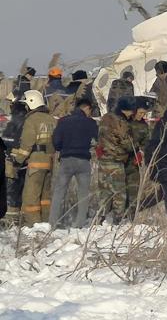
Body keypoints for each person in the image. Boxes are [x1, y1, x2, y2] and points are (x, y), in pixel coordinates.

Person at [10, 90, 57, 226]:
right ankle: (46, 222)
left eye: (26, 105)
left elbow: (27, 144)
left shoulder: (31, 120)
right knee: (45, 197)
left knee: (31, 196)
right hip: (50, 161)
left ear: (31, 103)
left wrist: (18, 160)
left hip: (36, 162)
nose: (25, 108)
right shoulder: (51, 119)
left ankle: (33, 224)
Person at [49, 98, 98, 228]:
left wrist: (63, 148)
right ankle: (79, 224)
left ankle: (54, 222)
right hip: (83, 161)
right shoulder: (91, 123)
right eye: (90, 110)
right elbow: (96, 140)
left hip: (66, 160)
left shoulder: (63, 121)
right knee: (83, 193)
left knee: (59, 192)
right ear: (86, 108)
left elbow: (56, 141)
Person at [96, 96, 137, 223]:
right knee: (119, 193)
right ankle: (117, 220)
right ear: (126, 110)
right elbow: (127, 143)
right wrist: (135, 147)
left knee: (104, 191)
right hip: (116, 161)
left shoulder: (105, 118)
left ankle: (100, 218)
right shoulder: (121, 122)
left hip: (103, 160)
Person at [127, 96, 153, 214]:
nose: (142, 115)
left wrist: (141, 153)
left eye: (144, 113)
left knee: (133, 190)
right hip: (120, 161)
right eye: (140, 112)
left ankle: (131, 215)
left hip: (134, 163)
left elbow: (146, 143)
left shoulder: (144, 126)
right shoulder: (124, 121)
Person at [3, 99, 28, 222]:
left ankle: (11, 216)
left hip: (12, 161)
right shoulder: (23, 124)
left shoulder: (11, 124)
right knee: (16, 190)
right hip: (19, 162)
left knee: (12, 189)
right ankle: (13, 216)